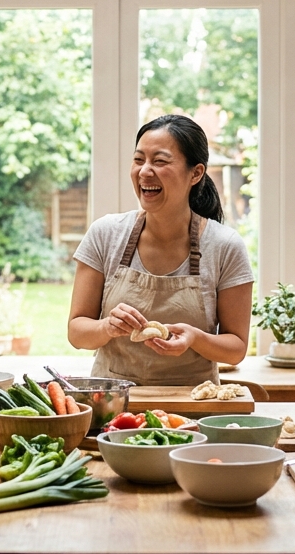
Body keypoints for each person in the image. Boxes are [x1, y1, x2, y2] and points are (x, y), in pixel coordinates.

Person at [68, 114, 252, 385]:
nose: (144, 171)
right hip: (115, 404)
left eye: (160, 161)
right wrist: (106, 326)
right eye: (139, 160)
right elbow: (76, 331)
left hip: (192, 406)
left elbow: (236, 347)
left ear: (196, 173)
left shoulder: (225, 246)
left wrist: (195, 338)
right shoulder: (105, 234)